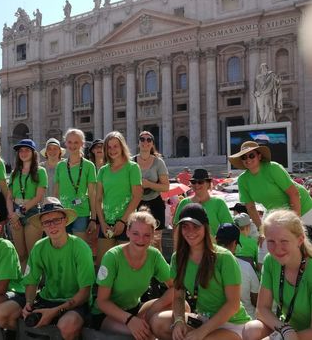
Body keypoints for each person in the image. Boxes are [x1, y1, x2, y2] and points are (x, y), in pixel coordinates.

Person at [0, 197, 95, 340]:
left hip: (74, 301)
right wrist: (29, 303)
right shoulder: (39, 247)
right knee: (2, 314)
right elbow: (31, 281)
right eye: (47, 222)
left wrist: (55, 311)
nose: (52, 226)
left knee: (67, 326)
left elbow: (85, 293)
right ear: (42, 226)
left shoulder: (81, 248)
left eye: (57, 220)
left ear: (65, 221)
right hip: (47, 298)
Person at [151, 203, 251, 340]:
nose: (190, 232)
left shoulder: (224, 257)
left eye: (196, 226)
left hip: (231, 323)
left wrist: (202, 332)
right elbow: (179, 296)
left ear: (206, 227)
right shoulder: (178, 258)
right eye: (185, 227)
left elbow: (233, 305)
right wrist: (179, 320)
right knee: (158, 322)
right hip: (202, 319)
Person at [93, 208, 174, 339]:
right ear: (128, 232)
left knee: (182, 307)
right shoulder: (112, 257)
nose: (141, 239)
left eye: (146, 235)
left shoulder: (154, 255)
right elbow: (102, 302)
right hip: (107, 315)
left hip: (135, 310)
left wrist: (155, 308)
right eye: (136, 233)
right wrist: (130, 320)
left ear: (153, 235)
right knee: (145, 335)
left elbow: (176, 287)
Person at [243, 210, 312, 340]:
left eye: (284, 241)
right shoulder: (271, 261)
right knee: (251, 329)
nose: (277, 248)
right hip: (288, 330)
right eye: (271, 241)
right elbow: (262, 309)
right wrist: (284, 330)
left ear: (300, 240)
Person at [229, 141, 312, 238]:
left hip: (303, 207)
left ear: (259, 156)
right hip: (277, 214)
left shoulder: (273, 168)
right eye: (244, 157)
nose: (248, 159)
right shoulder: (242, 180)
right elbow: (250, 207)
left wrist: (295, 222)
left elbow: (294, 194)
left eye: (251, 155)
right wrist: (261, 231)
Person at [96, 131, 142, 266]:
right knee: (103, 265)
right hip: (106, 224)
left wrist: (122, 221)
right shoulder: (102, 170)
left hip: (128, 223)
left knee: (126, 265)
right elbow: (98, 199)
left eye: (115, 146)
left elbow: (137, 196)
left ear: (122, 146)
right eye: (109, 147)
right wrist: (102, 223)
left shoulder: (132, 167)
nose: (112, 150)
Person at [7, 139, 47, 269]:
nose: (23, 153)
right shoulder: (15, 173)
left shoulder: (40, 171)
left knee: (33, 253)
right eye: (21, 150)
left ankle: (35, 285)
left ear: (33, 152)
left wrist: (18, 214)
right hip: (15, 212)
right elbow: (9, 197)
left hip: (32, 212)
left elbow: (38, 197)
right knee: (21, 253)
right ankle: (24, 284)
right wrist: (12, 214)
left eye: (27, 150)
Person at [54, 129, 97, 242]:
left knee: (79, 247)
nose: (72, 145)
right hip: (63, 213)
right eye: (70, 142)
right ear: (65, 143)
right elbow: (56, 193)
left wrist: (93, 218)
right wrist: (55, 212)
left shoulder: (89, 166)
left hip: (81, 213)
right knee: (64, 247)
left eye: (76, 142)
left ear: (82, 144)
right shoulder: (60, 166)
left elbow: (92, 194)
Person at [133, 131, 170, 251]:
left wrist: (149, 184)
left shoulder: (159, 162)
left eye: (149, 140)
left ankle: (157, 267)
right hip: (136, 202)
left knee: (156, 241)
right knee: (137, 238)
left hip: (155, 203)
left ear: (152, 144)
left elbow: (166, 187)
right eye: (142, 139)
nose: (145, 142)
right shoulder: (131, 162)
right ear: (138, 143)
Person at [216, 223, 259, 320]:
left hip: (214, 319)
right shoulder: (246, 267)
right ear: (234, 243)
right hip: (245, 321)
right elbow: (255, 299)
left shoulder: (206, 266)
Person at [173, 168, 233, 236]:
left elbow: (229, 227)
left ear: (208, 184)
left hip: (213, 245)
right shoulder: (184, 203)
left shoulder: (219, 203)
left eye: (200, 182)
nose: (197, 185)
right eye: (193, 182)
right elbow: (176, 228)